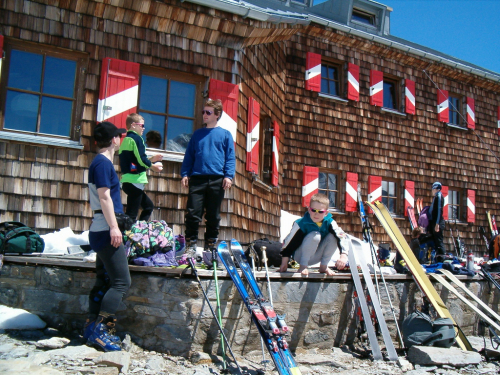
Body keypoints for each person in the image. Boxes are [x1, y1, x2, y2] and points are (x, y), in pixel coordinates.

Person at [84, 121, 130, 352]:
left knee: (103, 280)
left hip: (99, 229)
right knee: (122, 282)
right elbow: (104, 198)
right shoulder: (102, 163)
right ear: (114, 140)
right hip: (105, 230)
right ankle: (102, 332)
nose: (120, 139)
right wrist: (115, 227)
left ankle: (91, 326)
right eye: (119, 136)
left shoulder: (99, 162)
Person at [181, 99, 235, 253]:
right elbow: (189, 156)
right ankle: (190, 245)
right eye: (203, 112)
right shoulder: (197, 134)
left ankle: (210, 247)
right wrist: (185, 173)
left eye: (208, 112)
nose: (204, 115)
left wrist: (228, 176)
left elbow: (230, 157)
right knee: (193, 212)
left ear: (217, 115)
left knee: (213, 215)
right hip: (197, 178)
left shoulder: (225, 135)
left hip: (217, 180)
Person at [279, 193, 349, 276]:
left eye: (320, 211)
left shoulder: (330, 223)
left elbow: (342, 237)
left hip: (316, 257)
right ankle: (303, 266)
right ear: (309, 210)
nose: (316, 214)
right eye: (313, 210)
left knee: (333, 236)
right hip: (300, 256)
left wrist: (343, 255)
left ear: (326, 213)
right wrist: (284, 263)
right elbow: (288, 242)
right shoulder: (301, 223)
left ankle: (324, 266)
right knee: (315, 235)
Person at [119, 113, 163, 222]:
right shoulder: (136, 139)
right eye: (142, 125)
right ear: (133, 125)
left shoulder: (126, 140)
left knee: (148, 207)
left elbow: (134, 159)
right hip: (135, 181)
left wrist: (151, 158)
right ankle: (126, 236)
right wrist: (153, 167)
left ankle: (141, 229)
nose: (143, 128)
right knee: (131, 215)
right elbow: (141, 159)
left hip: (128, 181)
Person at [428, 181, 446, 262]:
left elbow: (439, 210)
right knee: (435, 240)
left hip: (437, 222)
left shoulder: (439, 196)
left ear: (436, 189)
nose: (432, 190)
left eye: (433, 189)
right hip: (434, 221)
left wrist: (437, 223)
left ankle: (441, 259)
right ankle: (436, 258)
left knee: (439, 241)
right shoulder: (436, 197)